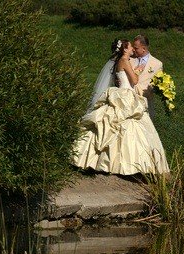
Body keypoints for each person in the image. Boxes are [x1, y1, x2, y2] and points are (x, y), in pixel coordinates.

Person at [72, 39, 169, 176]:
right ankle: (124, 164)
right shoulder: (125, 60)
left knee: (118, 126)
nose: (133, 50)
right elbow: (134, 80)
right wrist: (138, 72)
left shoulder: (122, 61)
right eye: (130, 47)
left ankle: (110, 161)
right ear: (125, 50)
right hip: (126, 94)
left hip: (123, 94)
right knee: (126, 127)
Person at [131, 35, 163, 119]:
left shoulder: (157, 64)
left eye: (136, 48)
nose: (133, 49)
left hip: (145, 103)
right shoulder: (129, 60)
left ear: (144, 48)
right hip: (129, 102)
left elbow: (156, 85)